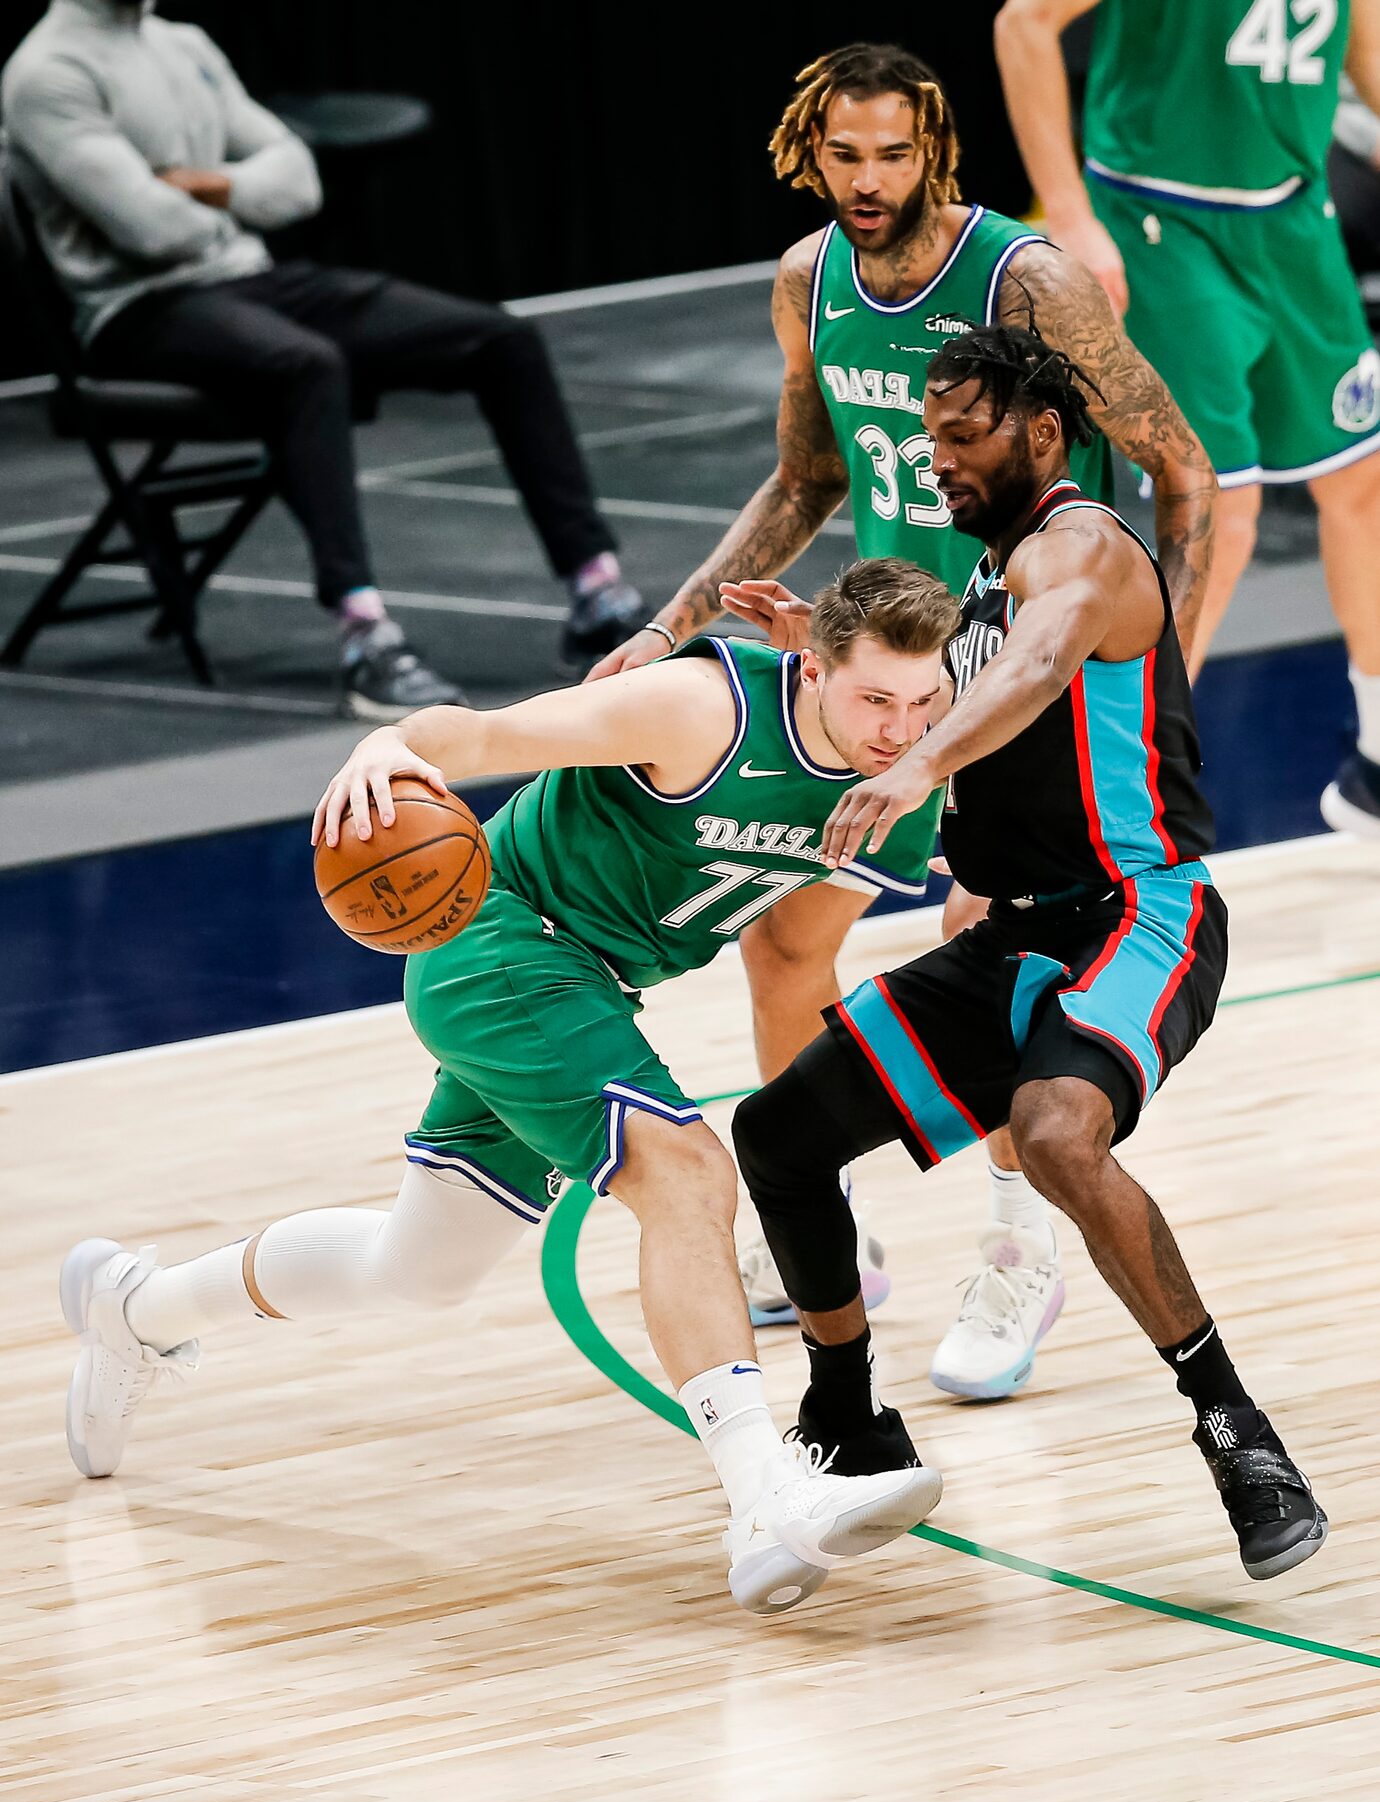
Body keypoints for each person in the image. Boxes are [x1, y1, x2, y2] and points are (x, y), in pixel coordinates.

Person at [58, 558, 956, 1617]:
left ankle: (136, 1308)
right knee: (685, 1174)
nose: (901, 728)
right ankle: (763, 1494)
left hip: (588, 989)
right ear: (810, 667)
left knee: (418, 1268)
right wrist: (385, 746)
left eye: (926, 702)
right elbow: (477, 737)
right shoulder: (697, 707)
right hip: (500, 940)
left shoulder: (902, 788)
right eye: (876, 700)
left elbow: (796, 955)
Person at [591, 41, 1215, 1402]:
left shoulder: (1023, 279)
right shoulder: (810, 278)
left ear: (932, 146)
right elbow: (807, 476)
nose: (867, 182)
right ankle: (832, 1244)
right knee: (781, 946)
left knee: (997, 956)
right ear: (807, 153)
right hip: (882, 676)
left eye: (891, 154)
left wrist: (1170, 662)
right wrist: (666, 626)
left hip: (1015, 679)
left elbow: (1181, 463)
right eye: (842, 156)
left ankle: (1019, 1248)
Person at [731, 323, 1327, 1583]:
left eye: (961, 435)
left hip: (1140, 911)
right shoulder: (992, 578)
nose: (934, 458)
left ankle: (1239, 1432)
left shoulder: (1081, 549)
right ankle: (845, 1413)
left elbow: (1044, 661)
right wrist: (813, 653)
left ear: (1041, 433)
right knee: (777, 1135)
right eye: (929, 435)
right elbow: (958, 679)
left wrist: (917, 768)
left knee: (1058, 1134)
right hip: (1016, 931)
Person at [1, 0, 644, 714]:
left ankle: (595, 589)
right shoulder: (46, 73)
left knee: (502, 340)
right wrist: (237, 195)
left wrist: (205, 183)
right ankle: (365, 635)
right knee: (307, 366)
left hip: (254, 281)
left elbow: (300, 181)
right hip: (136, 312)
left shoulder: (180, 42)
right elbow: (150, 229)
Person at [995, 0, 1380, 838]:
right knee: (1218, 512)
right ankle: (1129, 774)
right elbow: (1022, 21)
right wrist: (1069, 216)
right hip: (1161, 222)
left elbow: (1366, 54)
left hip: (1292, 221)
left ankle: (1376, 767)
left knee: (1363, 483)